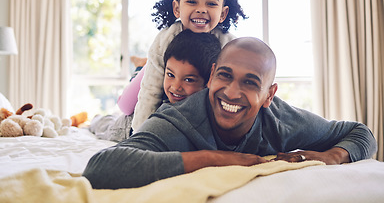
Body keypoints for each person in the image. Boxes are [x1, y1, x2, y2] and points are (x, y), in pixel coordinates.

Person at [83, 37, 377, 189]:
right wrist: (213, 159)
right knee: (107, 125)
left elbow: (361, 132)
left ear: (268, 95)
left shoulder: (282, 120)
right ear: (211, 77)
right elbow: (101, 166)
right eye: (225, 76)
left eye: (250, 82)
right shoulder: (179, 119)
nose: (232, 92)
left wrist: (331, 156)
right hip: (124, 124)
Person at [131, 0, 247, 131]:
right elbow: (150, 92)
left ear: (222, 14)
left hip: (194, 96)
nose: (201, 9)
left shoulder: (229, 45)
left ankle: (141, 66)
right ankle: (140, 67)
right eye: (192, 2)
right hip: (165, 85)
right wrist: (140, 133)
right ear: (177, 9)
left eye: (211, 4)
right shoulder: (164, 41)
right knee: (126, 106)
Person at [89, 29, 221, 141]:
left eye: (188, 80)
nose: (176, 87)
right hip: (130, 125)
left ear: (208, 81)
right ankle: (95, 118)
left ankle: (140, 67)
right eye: (170, 75)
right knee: (105, 125)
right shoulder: (168, 111)